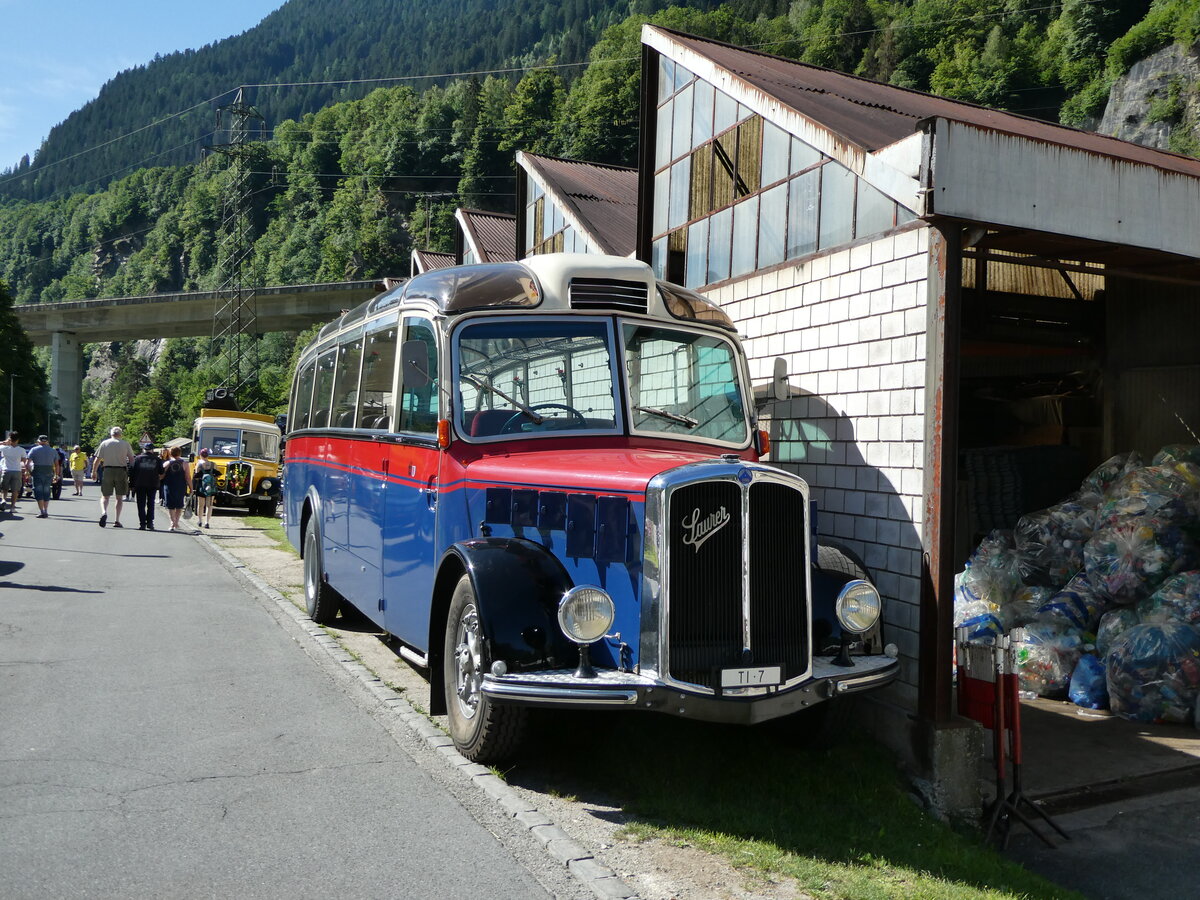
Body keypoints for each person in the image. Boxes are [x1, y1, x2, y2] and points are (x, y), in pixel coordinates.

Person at [95, 426, 135, 527]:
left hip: (107, 470)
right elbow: (131, 459)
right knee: (119, 498)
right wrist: (132, 471)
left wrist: (93, 471)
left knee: (105, 496)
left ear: (111, 434)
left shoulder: (105, 443)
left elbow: (97, 459)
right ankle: (117, 520)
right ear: (120, 434)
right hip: (121, 471)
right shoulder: (125, 444)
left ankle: (104, 512)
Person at [130, 442, 164, 530]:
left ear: (143, 449)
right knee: (151, 503)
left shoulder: (137, 459)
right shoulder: (157, 459)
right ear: (152, 450)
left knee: (141, 504)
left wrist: (131, 485)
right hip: (152, 484)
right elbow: (161, 471)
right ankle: (150, 523)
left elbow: (132, 472)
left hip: (139, 484)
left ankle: (142, 523)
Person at [27, 435, 61, 518]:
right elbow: (57, 465)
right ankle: (45, 510)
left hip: (37, 471)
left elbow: (27, 463)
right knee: (46, 490)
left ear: (39, 441)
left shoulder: (34, 450)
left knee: (38, 491)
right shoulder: (53, 451)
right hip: (49, 472)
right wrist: (57, 475)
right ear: (47, 441)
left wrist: (29, 472)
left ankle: (42, 511)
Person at [160, 446, 191, 532]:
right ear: (180, 453)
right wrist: (191, 487)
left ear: (170, 453)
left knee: (170, 506)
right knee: (179, 505)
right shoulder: (185, 464)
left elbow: (161, 476)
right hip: (180, 486)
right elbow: (188, 477)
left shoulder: (167, 463)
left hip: (169, 486)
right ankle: (176, 522)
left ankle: (172, 522)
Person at [0, 432, 29, 513]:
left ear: (10, 439)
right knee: (15, 490)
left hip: (6, 470)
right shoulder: (21, 450)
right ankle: (12, 507)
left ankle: (3, 500)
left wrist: (4, 442)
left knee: (4, 488)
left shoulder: (4, 448)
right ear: (18, 440)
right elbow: (24, 461)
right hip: (17, 470)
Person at [192, 448, 219, 530]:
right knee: (209, 505)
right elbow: (217, 475)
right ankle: (207, 522)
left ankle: (200, 521)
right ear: (208, 455)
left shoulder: (199, 465)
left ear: (200, 455)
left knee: (200, 505)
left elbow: (196, 476)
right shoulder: (213, 464)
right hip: (211, 487)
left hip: (201, 487)